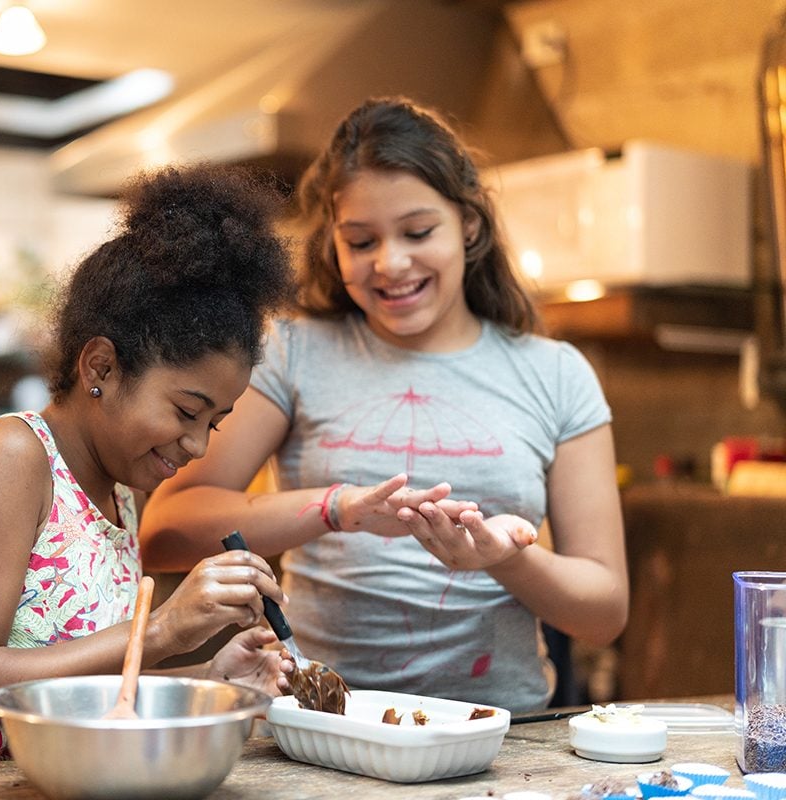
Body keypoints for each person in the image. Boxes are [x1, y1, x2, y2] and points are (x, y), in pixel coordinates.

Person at [139, 96, 628, 713]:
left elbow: (605, 612)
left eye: (418, 232)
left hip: (500, 735)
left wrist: (502, 562)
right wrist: (333, 508)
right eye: (361, 240)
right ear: (333, 243)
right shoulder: (291, 353)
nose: (390, 263)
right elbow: (166, 530)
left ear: (469, 225)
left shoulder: (556, 374)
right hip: (322, 727)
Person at [0, 163, 297, 771]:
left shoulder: (121, 494)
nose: (198, 446)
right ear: (100, 368)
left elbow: (79, 692)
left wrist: (214, 678)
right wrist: (163, 631)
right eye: (186, 411)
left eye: (214, 422)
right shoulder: (12, 458)